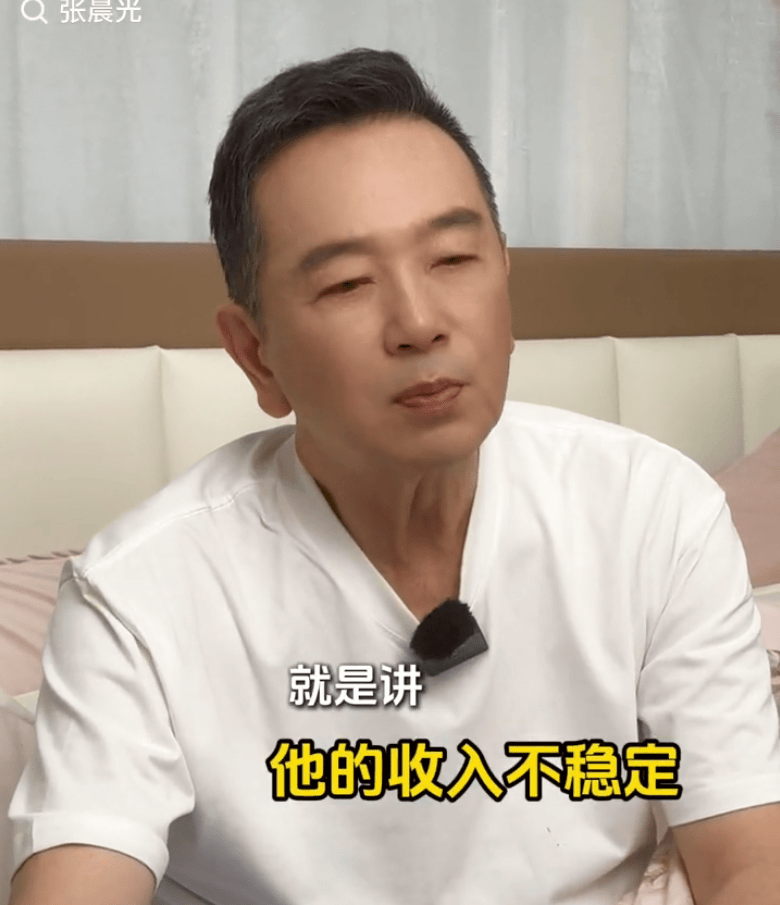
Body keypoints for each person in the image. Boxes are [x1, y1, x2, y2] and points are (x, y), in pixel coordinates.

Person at [7, 46, 780, 905]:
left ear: (504, 279)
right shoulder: (139, 593)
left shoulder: (654, 511)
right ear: (256, 353)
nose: (418, 322)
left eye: (452, 259)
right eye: (347, 283)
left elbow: (749, 859)